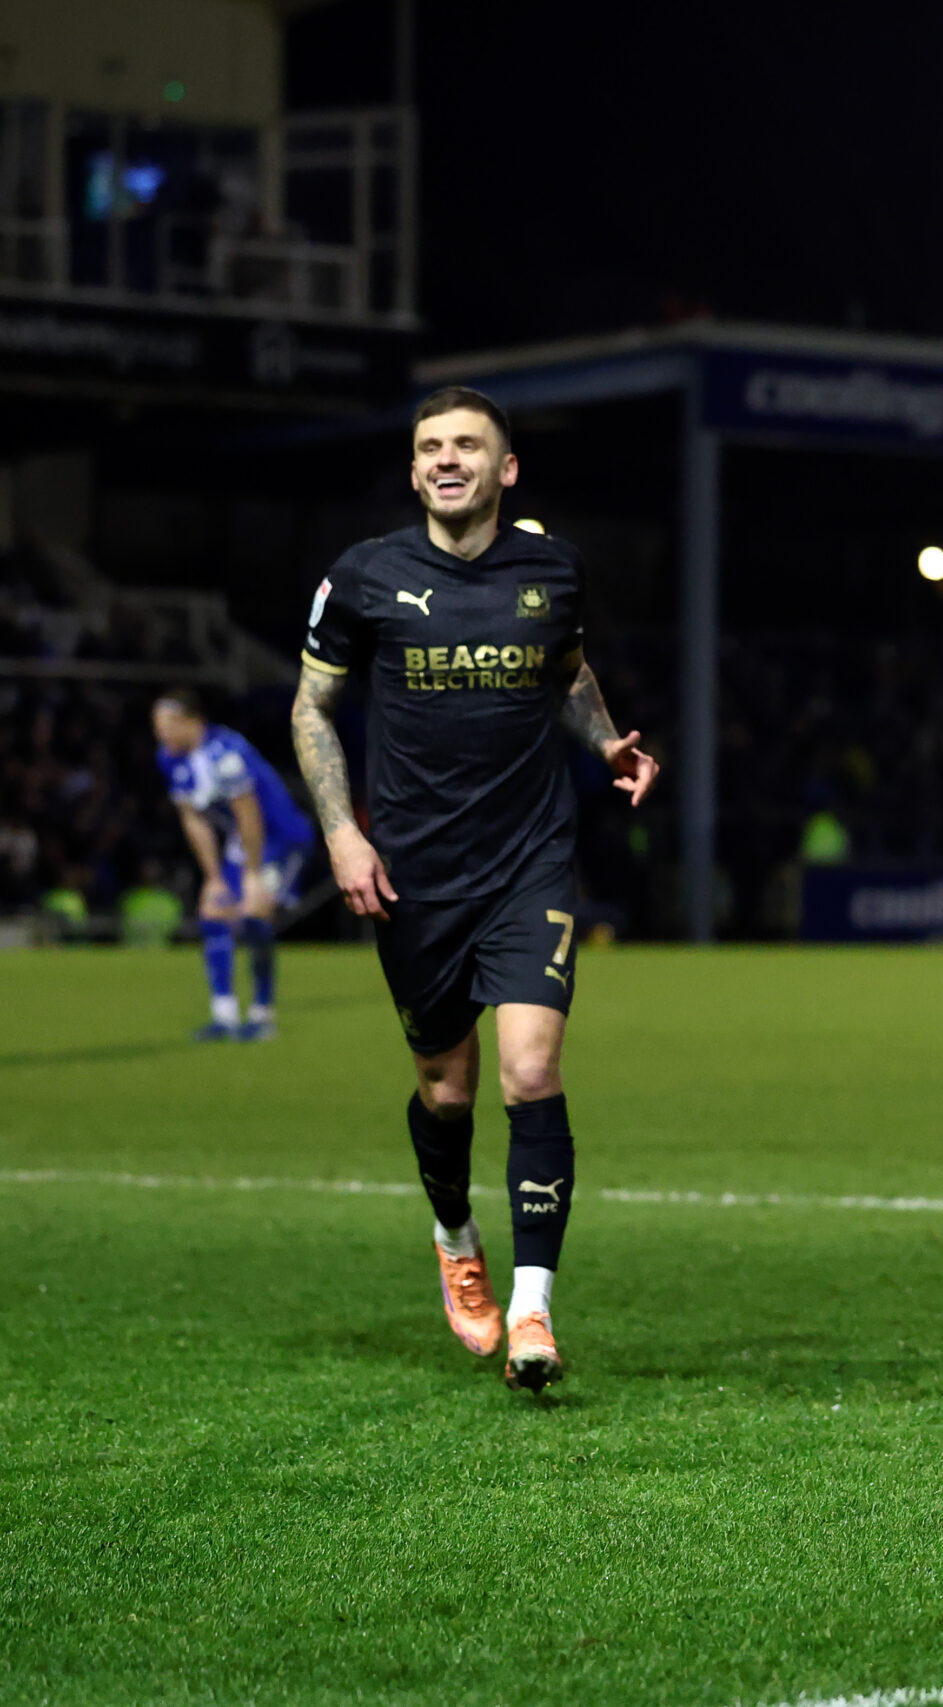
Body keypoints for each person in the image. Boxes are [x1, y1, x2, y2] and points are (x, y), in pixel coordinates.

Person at [290, 385, 659, 1392]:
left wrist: (603, 740)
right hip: (412, 873)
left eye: (467, 445)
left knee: (528, 1072)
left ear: (505, 469)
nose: (446, 458)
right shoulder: (364, 577)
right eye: (429, 447)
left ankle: (534, 1311)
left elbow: (566, 673)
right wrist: (341, 836)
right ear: (413, 472)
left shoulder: (553, 570)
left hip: (529, 857)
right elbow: (312, 711)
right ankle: (456, 1238)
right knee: (444, 1089)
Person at [152, 689, 315, 1040]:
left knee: (255, 915)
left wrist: (253, 874)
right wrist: (213, 878)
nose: (161, 733)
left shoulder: (226, 753)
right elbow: (193, 818)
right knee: (215, 914)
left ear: (192, 721)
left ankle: (261, 1015)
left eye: (167, 724)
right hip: (243, 842)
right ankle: (223, 1016)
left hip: (281, 839)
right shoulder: (169, 759)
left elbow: (249, 812)